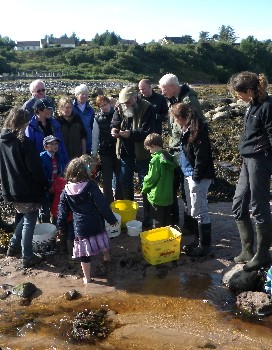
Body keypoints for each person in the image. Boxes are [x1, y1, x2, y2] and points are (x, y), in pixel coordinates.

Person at [228, 71, 272, 272]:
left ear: (250, 90)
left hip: (260, 160)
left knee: (259, 205)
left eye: (239, 93)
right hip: (247, 159)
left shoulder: (267, 106)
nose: (238, 97)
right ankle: (247, 249)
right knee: (238, 202)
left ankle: (262, 254)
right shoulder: (252, 105)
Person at [57, 155, 118, 284]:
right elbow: (102, 205)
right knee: (102, 238)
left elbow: (62, 212)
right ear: (85, 171)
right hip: (96, 221)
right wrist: (111, 219)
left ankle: (87, 278)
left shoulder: (66, 190)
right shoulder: (91, 186)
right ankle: (106, 257)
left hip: (80, 226)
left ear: (69, 172)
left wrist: (61, 227)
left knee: (84, 253)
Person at [0, 107, 48, 268]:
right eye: (26, 123)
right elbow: (34, 168)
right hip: (27, 188)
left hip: (11, 188)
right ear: (21, 123)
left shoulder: (2, 141)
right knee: (30, 219)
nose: (28, 126)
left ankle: (13, 246)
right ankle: (27, 256)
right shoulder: (23, 142)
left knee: (24, 215)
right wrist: (44, 183)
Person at [159, 73, 204, 229]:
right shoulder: (172, 100)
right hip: (174, 148)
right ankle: (174, 221)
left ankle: (190, 225)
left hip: (185, 150)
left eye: (164, 89)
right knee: (173, 186)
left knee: (187, 190)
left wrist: (189, 149)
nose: (162, 92)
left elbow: (198, 126)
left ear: (172, 86)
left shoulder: (189, 100)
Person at [170, 103, 215, 257]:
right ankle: (198, 240)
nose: (175, 122)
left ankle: (205, 246)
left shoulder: (198, 130)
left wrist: (196, 177)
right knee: (193, 210)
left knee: (200, 211)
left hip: (198, 177)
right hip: (188, 174)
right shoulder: (187, 129)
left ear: (181, 118)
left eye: (175, 119)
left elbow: (202, 157)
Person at [111, 86, 156, 228]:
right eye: (124, 104)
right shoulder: (120, 107)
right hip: (125, 152)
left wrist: (131, 134)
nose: (126, 106)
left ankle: (148, 217)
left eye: (128, 103)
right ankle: (131, 213)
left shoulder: (147, 108)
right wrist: (114, 130)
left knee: (145, 185)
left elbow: (148, 131)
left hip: (142, 153)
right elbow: (115, 122)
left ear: (135, 98)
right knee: (125, 182)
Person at [142, 133, 179, 228]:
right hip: (168, 196)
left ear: (153, 146)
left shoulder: (155, 160)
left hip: (157, 196)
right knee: (167, 220)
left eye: (149, 149)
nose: (150, 152)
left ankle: (159, 239)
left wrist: (144, 186)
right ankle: (167, 237)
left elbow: (152, 178)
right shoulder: (169, 157)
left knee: (157, 221)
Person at [92, 95, 123, 204]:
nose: (104, 107)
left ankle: (119, 202)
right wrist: (94, 154)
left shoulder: (118, 114)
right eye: (101, 106)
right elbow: (95, 137)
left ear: (109, 103)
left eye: (105, 104)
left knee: (120, 179)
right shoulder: (97, 119)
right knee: (106, 180)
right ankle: (109, 203)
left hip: (119, 151)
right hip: (105, 152)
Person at [25, 98, 68, 166]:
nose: (51, 111)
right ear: (39, 110)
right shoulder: (30, 127)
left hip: (56, 163)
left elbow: (61, 145)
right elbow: (29, 150)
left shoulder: (55, 124)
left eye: (51, 109)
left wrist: (66, 162)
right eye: (48, 109)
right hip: (40, 164)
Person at [40, 135, 65, 223]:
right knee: (45, 211)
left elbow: (61, 172)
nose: (55, 146)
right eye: (52, 144)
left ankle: (55, 227)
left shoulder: (58, 156)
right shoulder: (42, 158)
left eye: (56, 143)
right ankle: (46, 229)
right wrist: (48, 187)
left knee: (56, 208)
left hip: (56, 186)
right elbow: (41, 175)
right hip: (45, 188)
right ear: (45, 146)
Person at [56, 95, 87, 160]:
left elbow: (83, 137)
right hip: (61, 156)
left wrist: (84, 153)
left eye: (70, 107)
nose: (69, 110)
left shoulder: (77, 119)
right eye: (66, 107)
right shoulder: (56, 121)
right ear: (60, 108)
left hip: (76, 155)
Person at [73, 84, 95, 154]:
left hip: (88, 141)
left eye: (86, 94)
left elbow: (92, 126)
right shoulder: (71, 108)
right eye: (82, 94)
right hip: (74, 142)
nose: (85, 96)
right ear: (76, 95)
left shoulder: (90, 110)